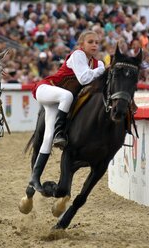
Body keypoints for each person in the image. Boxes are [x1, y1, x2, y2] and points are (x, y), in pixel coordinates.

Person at [29, 30, 105, 192]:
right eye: (90, 42)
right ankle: (60, 133)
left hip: (58, 100)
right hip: (46, 88)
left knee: (47, 138)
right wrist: (103, 70)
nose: (94, 45)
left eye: (97, 42)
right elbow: (84, 78)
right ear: (81, 45)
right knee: (67, 96)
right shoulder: (78, 55)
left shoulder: (97, 64)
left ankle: (34, 179)